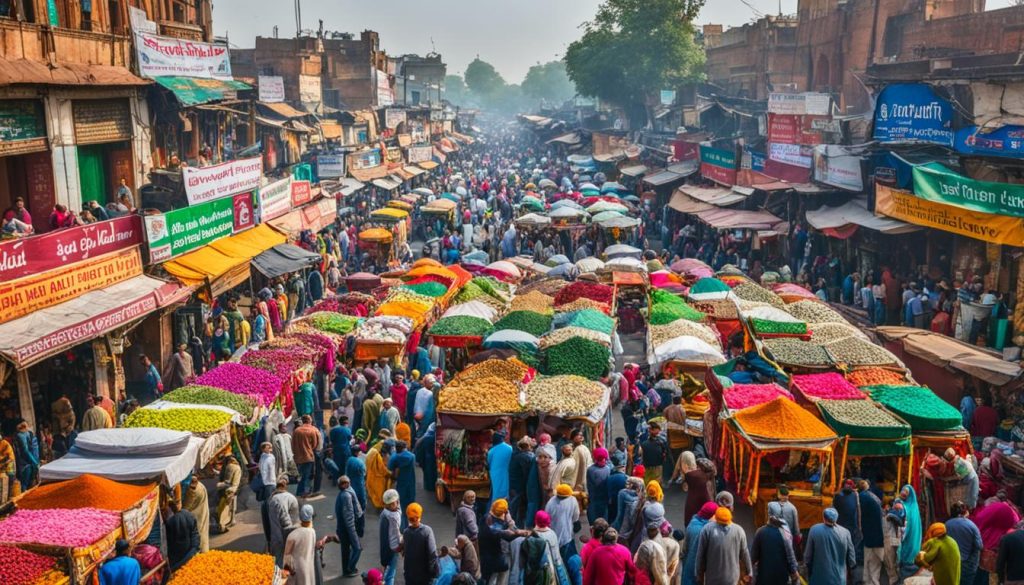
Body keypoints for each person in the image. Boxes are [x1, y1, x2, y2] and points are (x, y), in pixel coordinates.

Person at [696, 507, 751, 585]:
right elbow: (745, 553)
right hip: (732, 578)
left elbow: (700, 555)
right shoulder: (739, 530)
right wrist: (750, 572)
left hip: (712, 577)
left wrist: (698, 574)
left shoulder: (707, 529)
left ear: (716, 518)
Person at [750, 502, 798, 585]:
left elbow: (753, 557)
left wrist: (749, 573)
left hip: (763, 577)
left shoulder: (760, 532)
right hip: (781, 577)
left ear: (769, 515)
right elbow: (790, 557)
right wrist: (794, 572)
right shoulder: (785, 533)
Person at [805, 508, 856, 585]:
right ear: (837, 518)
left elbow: (807, 556)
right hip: (839, 579)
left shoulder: (814, 529)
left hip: (819, 578)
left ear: (823, 517)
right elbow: (852, 559)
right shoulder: (845, 533)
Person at [945, 501, 982, 585]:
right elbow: (979, 545)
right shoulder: (971, 525)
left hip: (950, 562)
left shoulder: (946, 524)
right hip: (967, 564)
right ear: (965, 512)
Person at [402, 503, 440, 585]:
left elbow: (405, 553)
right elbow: (432, 553)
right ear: (420, 515)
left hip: (410, 576)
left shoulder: (406, 533)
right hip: (425, 576)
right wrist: (434, 572)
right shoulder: (427, 531)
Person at [681, 502, 716, 585]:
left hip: (688, 564)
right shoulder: (706, 531)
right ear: (710, 515)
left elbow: (685, 548)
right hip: (697, 569)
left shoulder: (693, 522)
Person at [673, 452, 710, 528]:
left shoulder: (692, 477)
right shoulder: (701, 474)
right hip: (705, 510)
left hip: (696, 514)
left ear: (685, 464)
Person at [336, 475, 364, 577]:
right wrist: (353, 531)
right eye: (342, 483)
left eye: (346, 483)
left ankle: (347, 569)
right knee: (357, 548)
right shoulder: (346, 495)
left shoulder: (347, 492)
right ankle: (350, 568)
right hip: (347, 528)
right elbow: (348, 516)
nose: (344, 485)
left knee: (346, 549)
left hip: (343, 527)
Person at [858, 479, 885, 585]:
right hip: (879, 535)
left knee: (870, 561)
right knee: (875, 563)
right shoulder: (872, 496)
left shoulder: (862, 497)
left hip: (871, 536)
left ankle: (869, 582)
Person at [546, 484, 581, 561]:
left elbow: (547, 517)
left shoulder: (551, 502)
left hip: (553, 536)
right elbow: (576, 517)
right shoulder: (572, 500)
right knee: (570, 561)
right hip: (567, 536)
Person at [283, 505, 317, 585]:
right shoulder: (312, 532)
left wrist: (287, 569)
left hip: (296, 569)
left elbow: (287, 556)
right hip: (309, 566)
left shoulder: (292, 535)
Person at [269, 477, 300, 564]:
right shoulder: (292, 497)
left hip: (281, 531)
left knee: (279, 553)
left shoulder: (273, 500)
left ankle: (279, 571)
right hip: (292, 529)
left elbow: (276, 524)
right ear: (286, 487)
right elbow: (295, 519)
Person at [165, 499, 200, 571]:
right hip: (191, 559)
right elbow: (195, 542)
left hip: (178, 565)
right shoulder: (187, 515)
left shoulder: (168, 524)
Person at [389, 440, 417, 528]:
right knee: (411, 506)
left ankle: (403, 529)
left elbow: (390, 467)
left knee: (401, 507)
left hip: (401, 484)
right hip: (411, 484)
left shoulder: (395, 457)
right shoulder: (412, 456)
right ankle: (413, 525)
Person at [292, 415, 321, 498]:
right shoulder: (313, 430)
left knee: (301, 474)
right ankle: (302, 491)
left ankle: (300, 491)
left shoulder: (296, 430)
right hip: (308, 456)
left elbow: (293, 443)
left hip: (298, 457)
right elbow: (315, 444)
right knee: (306, 475)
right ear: (309, 421)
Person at [509, 438, 535, 527]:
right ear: (528, 446)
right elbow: (527, 472)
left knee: (514, 507)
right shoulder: (525, 457)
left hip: (514, 484)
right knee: (516, 508)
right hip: (519, 486)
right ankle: (515, 527)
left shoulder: (515, 454)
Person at [380, 490, 403, 585]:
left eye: (397, 501)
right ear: (388, 505)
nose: (396, 504)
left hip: (389, 547)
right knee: (391, 574)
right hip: (393, 547)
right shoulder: (393, 517)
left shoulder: (385, 513)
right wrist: (402, 544)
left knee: (388, 570)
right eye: (393, 503)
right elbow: (397, 534)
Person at [182, 475, 210, 553]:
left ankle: (200, 553)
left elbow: (185, 509)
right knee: (202, 524)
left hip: (193, 491)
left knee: (197, 530)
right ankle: (203, 551)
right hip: (197, 488)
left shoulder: (189, 487)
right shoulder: (198, 485)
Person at [215, 455, 242, 533]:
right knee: (231, 508)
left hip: (228, 491)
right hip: (234, 490)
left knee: (224, 509)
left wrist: (219, 485)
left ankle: (222, 526)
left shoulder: (230, 466)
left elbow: (227, 481)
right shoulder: (238, 467)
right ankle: (231, 521)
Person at [366, 439, 393, 510]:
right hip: (378, 477)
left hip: (371, 474)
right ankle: (379, 506)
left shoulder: (374, 450)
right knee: (379, 494)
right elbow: (381, 469)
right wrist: (389, 473)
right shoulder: (377, 456)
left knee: (373, 492)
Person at [586, 447, 610, 524]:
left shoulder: (607, 468)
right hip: (595, 499)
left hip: (603, 499)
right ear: (596, 460)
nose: (603, 461)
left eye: (604, 459)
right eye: (600, 459)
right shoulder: (592, 470)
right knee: (595, 522)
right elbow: (597, 484)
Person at [488, 433, 514, 502]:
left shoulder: (491, 451)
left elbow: (489, 462)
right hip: (507, 472)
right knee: (506, 489)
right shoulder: (510, 448)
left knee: (496, 491)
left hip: (495, 473)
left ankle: (496, 507)